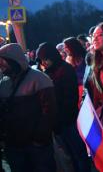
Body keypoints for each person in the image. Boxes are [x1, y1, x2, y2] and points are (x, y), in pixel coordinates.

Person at [0, 43, 56, 172]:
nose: (0, 64)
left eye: (2, 59)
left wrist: (39, 138)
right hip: (13, 145)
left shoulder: (39, 78)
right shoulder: (3, 83)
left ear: (13, 59)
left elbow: (49, 112)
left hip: (36, 147)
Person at [36, 42, 90, 172]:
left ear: (51, 56)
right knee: (68, 155)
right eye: (42, 60)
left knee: (78, 153)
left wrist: (60, 119)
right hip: (57, 124)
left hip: (69, 121)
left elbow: (69, 99)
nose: (44, 63)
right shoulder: (48, 73)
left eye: (45, 59)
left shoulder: (65, 69)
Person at [64, 37, 87, 104]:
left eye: (66, 47)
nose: (65, 50)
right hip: (77, 89)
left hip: (88, 86)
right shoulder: (68, 59)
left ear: (73, 46)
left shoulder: (85, 56)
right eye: (64, 47)